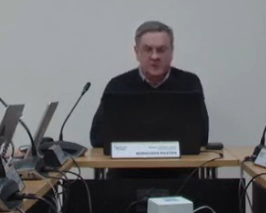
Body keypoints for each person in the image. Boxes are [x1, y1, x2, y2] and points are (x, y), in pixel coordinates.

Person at [88, 20, 208, 150]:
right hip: (128, 162)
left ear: (172, 52)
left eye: (161, 50)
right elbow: (97, 138)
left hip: (180, 162)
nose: (154, 56)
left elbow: (201, 136)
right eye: (148, 49)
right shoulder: (117, 86)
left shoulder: (189, 84)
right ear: (136, 52)